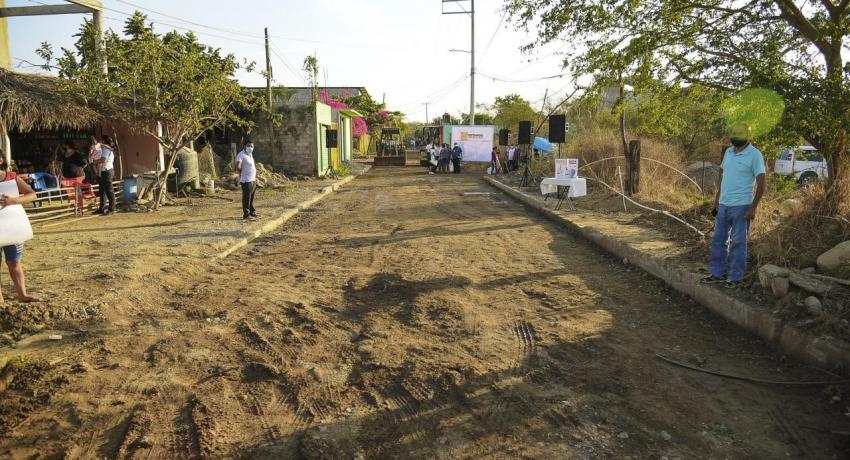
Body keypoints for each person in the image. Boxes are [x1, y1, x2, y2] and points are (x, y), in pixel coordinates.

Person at [702, 123, 766, 289]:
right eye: (734, 133)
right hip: (724, 204)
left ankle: (736, 277)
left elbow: (761, 184)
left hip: (742, 206)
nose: (735, 136)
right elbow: (724, 177)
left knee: (738, 243)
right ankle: (718, 273)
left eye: (739, 134)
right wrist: (717, 201)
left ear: (747, 136)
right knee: (718, 240)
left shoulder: (755, 155)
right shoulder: (729, 152)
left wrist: (753, 207)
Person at [0, 152, 40, 303]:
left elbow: (32, 194)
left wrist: (14, 200)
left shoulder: (12, 177)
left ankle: (22, 295)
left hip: (13, 226)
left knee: (14, 262)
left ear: (1, 160)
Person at [235, 140, 258, 220]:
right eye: (248, 146)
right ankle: (246, 214)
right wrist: (241, 172)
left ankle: (252, 212)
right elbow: (237, 165)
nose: (250, 147)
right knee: (246, 197)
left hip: (253, 179)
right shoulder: (241, 154)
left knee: (251, 197)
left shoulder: (250, 154)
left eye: (252, 146)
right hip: (246, 180)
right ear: (244, 146)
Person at [94, 135, 116, 215]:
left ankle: (111, 209)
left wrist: (95, 161)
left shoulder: (106, 150)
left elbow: (103, 160)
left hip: (107, 171)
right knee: (102, 191)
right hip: (104, 171)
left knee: (109, 191)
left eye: (101, 140)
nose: (99, 142)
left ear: (103, 141)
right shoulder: (105, 149)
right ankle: (102, 208)